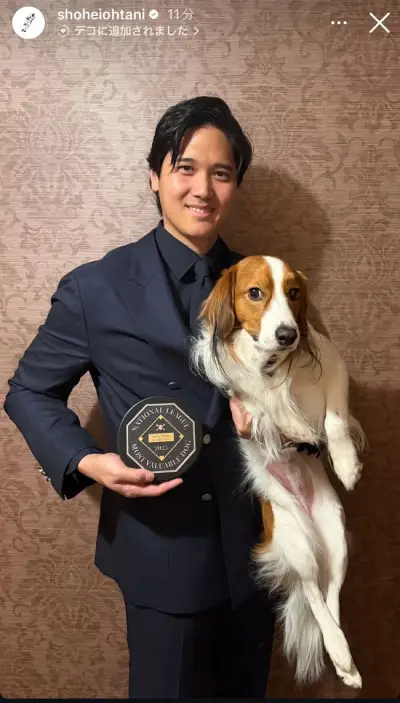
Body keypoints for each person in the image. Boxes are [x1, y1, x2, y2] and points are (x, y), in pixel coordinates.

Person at [3, 96, 275, 698]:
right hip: (160, 552)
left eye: (221, 173)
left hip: (259, 549)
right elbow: (29, 391)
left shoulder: (265, 285)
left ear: (235, 185)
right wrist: (86, 460)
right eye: (185, 168)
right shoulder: (95, 287)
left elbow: (305, 397)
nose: (202, 189)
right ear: (154, 175)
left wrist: (279, 421)